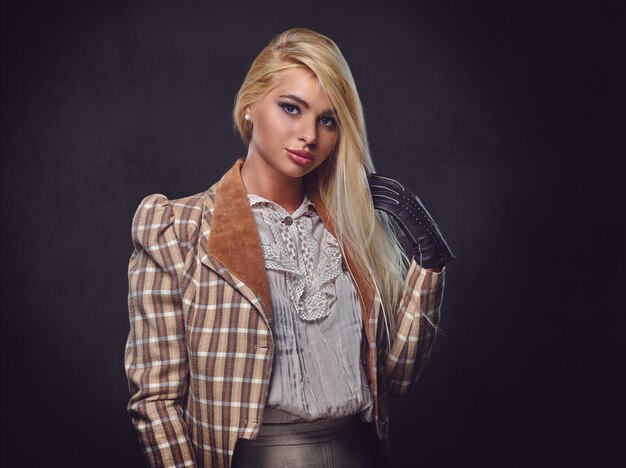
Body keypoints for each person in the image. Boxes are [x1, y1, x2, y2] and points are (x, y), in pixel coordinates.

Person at [124, 27, 454, 468]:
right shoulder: (176, 229)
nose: (309, 135)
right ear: (249, 105)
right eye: (291, 108)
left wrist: (429, 257)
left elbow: (395, 378)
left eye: (328, 120)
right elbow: (156, 401)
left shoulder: (351, 228)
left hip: (360, 453)